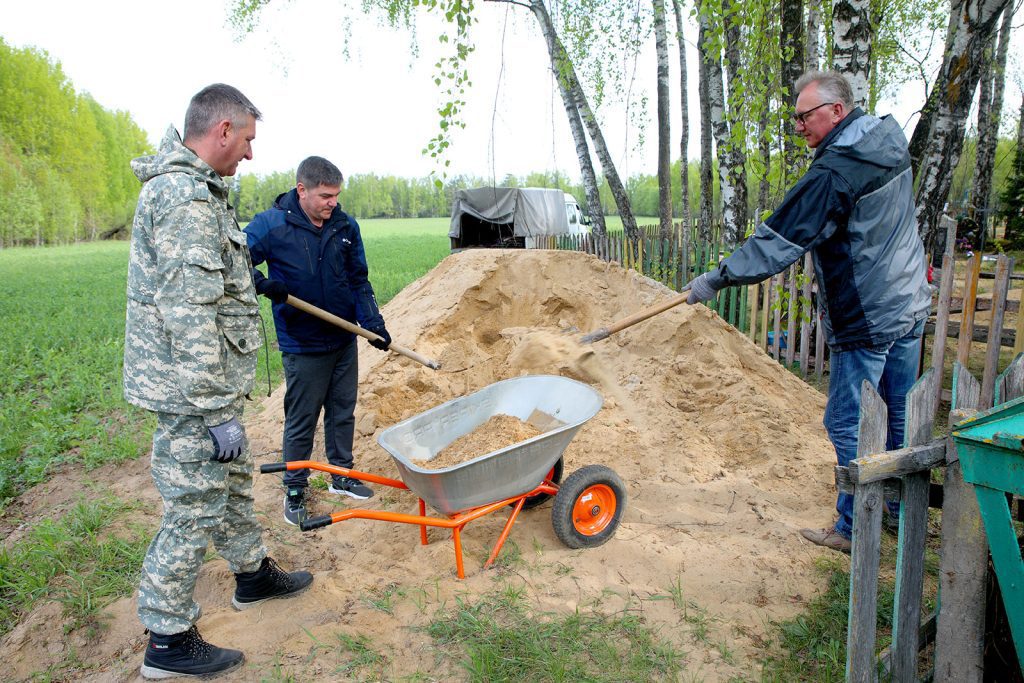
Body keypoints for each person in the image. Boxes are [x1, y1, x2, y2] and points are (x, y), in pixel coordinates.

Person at [685, 70, 932, 554]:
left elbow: (779, 241)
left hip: (869, 314)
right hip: (910, 302)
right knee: (900, 413)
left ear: (837, 111)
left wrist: (715, 279)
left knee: (846, 421)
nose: (797, 125)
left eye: (804, 115)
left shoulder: (835, 173)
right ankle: (902, 515)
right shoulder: (888, 140)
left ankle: (854, 527)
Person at [124, 83, 314, 679]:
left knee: (230, 484)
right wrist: (213, 410)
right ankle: (167, 636)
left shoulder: (203, 191)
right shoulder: (182, 198)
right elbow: (187, 313)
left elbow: (211, 289)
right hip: (190, 394)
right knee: (193, 506)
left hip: (207, 387)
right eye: (249, 141)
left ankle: (252, 575)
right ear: (223, 130)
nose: (251, 156)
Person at [245, 156, 391, 526]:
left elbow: (359, 279)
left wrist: (373, 322)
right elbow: (236, 261)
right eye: (325, 195)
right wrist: (262, 283)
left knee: (342, 411)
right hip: (302, 341)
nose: (333, 203)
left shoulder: (344, 225)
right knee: (302, 419)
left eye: (336, 196)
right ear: (302, 190)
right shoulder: (271, 225)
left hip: (343, 336)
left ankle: (341, 475)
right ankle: (295, 488)